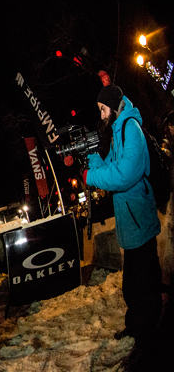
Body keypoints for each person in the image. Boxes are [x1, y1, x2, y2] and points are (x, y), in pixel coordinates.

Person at [83, 84, 162, 365]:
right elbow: (108, 168)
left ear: (114, 106)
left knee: (144, 286)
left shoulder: (131, 128)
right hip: (131, 223)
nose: (101, 115)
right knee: (134, 284)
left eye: (103, 109)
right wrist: (93, 158)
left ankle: (148, 339)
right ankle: (136, 325)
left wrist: (91, 177)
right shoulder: (118, 132)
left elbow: (125, 174)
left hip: (140, 219)